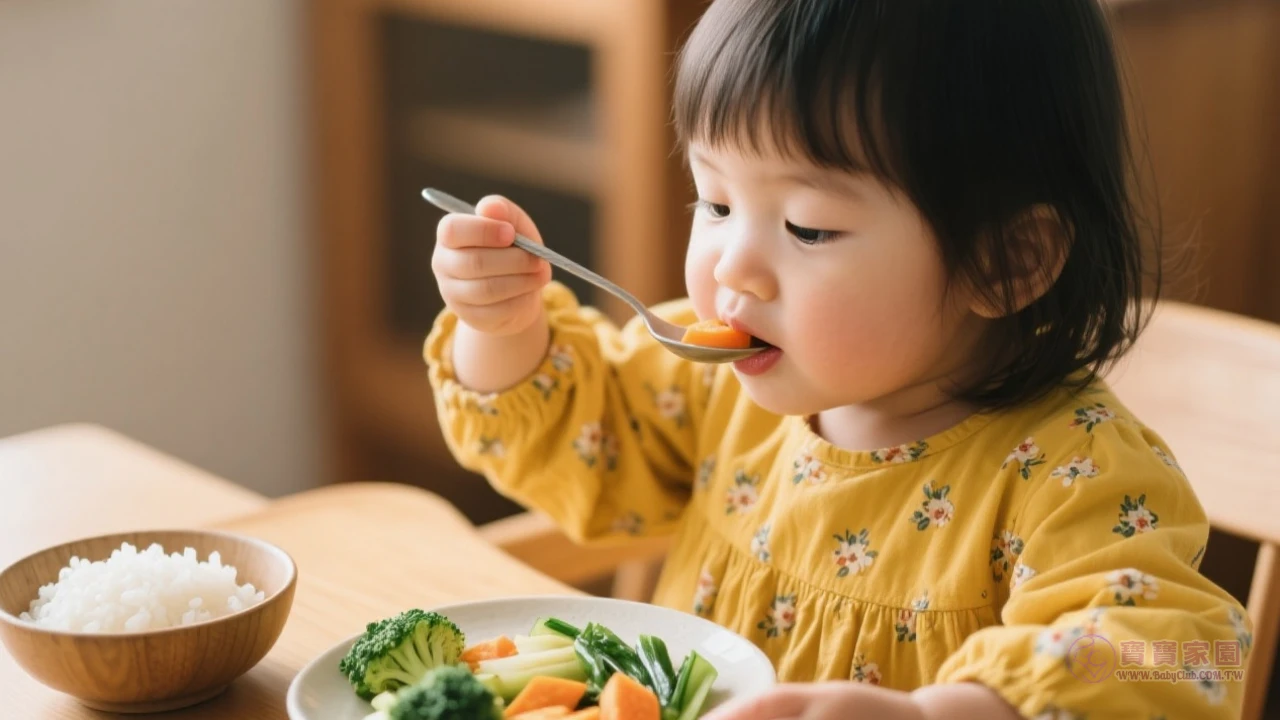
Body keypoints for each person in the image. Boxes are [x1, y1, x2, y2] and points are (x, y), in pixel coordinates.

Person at [423, 1, 1252, 717]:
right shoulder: (719, 387)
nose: (731, 267)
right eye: (714, 201)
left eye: (808, 227)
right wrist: (502, 327)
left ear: (1008, 262)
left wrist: (953, 713)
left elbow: (1195, 659)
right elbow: (579, 436)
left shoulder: (1077, 477)